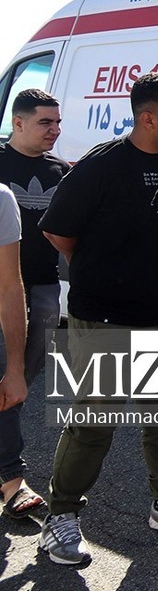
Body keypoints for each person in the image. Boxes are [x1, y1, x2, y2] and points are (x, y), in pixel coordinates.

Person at [37, 72, 158, 566]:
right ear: (148, 117)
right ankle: (62, 514)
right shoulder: (102, 166)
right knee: (95, 421)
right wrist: (105, 279)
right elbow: (59, 234)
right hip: (105, 317)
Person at [0, 89, 69, 520]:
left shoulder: (63, 171)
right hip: (3, 285)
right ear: (19, 122)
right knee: (6, 368)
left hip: (42, 287)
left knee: (19, 375)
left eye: (58, 122)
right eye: (45, 122)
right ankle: (11, 477)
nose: (55, 130)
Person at [0, 185, 32, 517]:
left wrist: (14, 368)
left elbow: (9, 285)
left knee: (5, 403)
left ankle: (12, 479)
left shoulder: (1, 199)